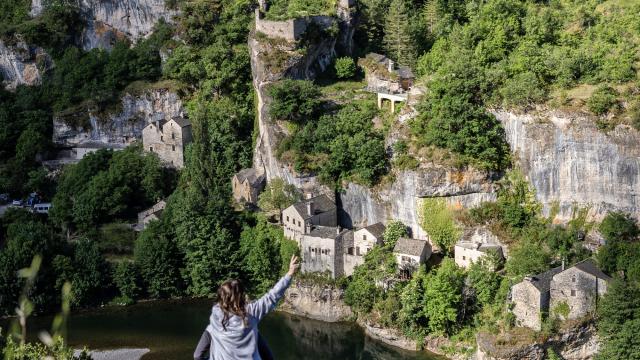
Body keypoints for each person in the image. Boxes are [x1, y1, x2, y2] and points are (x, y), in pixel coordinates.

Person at [198, 255, 300, 360]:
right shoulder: (251, 312)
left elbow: (197, 356)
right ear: (241, 295)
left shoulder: (215, 321)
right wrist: (289, 274)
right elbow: (272, 297)